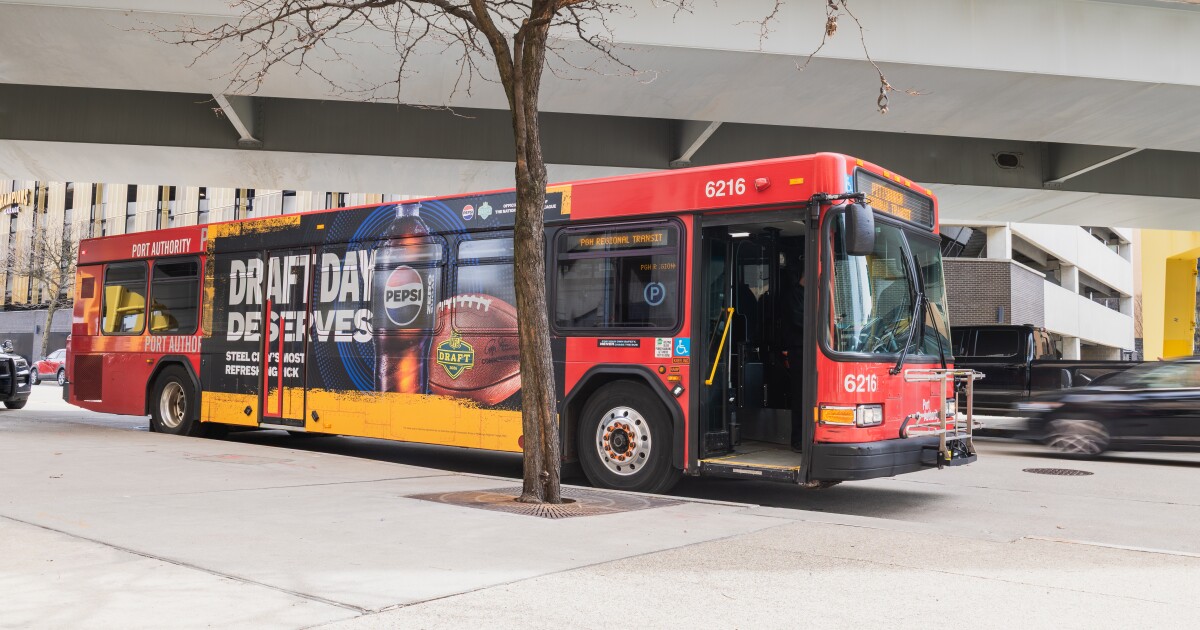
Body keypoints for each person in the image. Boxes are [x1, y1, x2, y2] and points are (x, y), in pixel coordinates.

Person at [777, 250, 806, 452]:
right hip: (798, 350)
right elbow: (798, 320)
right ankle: (797, 439)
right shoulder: (795, 295)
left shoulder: (809, 294)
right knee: (800, 395)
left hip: (808, 350)